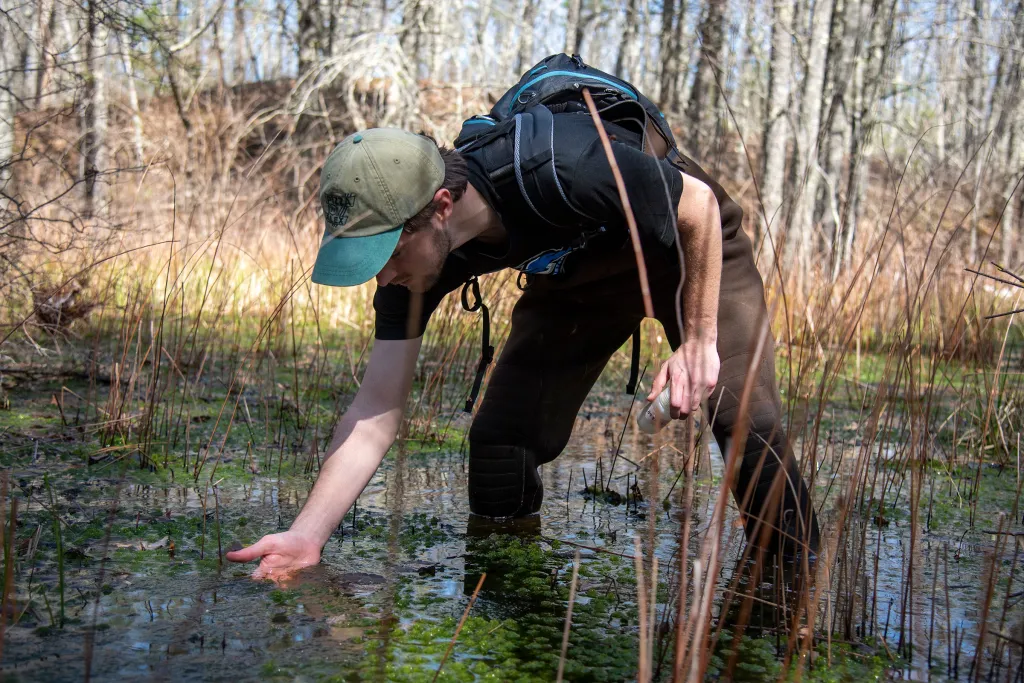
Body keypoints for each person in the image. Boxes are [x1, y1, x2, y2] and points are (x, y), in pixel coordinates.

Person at [227, 79, 820, 580]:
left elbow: (699, 209)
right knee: (499, 447)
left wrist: (698, 341)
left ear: (438, 207)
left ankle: (789, 594)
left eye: (384, 255)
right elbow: (376, 409)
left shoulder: (566, 166)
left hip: (686, 252)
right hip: (577, 276)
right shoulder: (412, 273)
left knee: (746, 424)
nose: (381, 280)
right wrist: (307, 536)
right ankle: (508, 602)